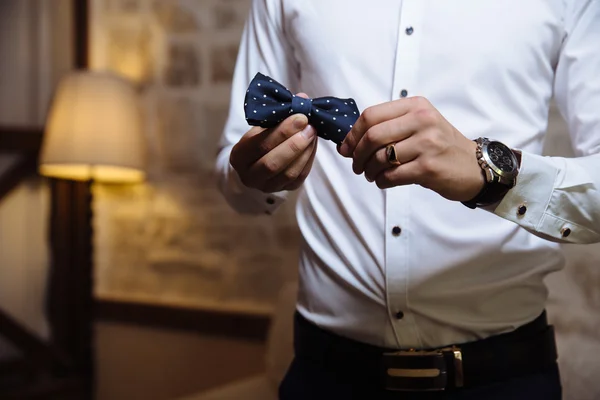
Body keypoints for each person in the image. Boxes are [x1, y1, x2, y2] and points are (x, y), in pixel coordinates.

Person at [216, 1, 600, 399]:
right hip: (323, 375)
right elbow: (234, 175)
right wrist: (254, 176)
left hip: (504, 376)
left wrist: (493, 174)